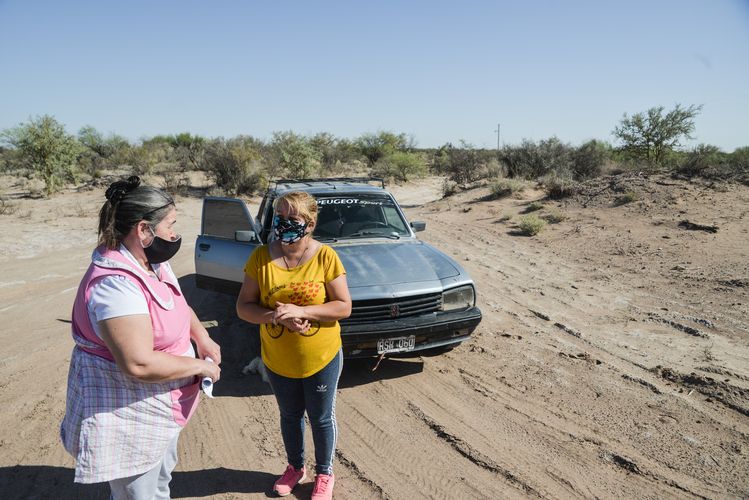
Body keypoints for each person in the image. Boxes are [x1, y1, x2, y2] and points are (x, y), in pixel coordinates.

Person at [60, 176, 221, 500]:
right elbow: (138, 363)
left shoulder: (150, 261)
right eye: (171, 225)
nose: (176, 234)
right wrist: (199, 367)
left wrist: (201, 335)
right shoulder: (115, 286)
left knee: (159, 480)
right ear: (144, 230)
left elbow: (177, 301)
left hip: (159, 406)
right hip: (128, 411)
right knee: (138, 492)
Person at [237, 191, 351, 500]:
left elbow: (343, 306)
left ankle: (324, 473)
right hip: (278, 358)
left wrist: (303, 311)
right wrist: (275, 316)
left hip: (322, 356)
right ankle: (295, 467)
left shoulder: (325, 256)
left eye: (291, 218)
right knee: (289, 415)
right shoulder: (261, 257)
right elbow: (244, 307)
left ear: (310, 223)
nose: (283, 223)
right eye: (279, 216)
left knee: (321, 417)